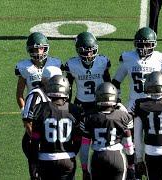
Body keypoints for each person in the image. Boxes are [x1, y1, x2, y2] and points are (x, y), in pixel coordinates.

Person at [62, 31, 111, 179]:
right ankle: (84, 170)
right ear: (79, 50)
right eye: (86, 51)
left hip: (98, 105)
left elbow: (107, 84)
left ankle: (89, 169)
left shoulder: (102, 62)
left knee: (96, 139)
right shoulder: (73, 64)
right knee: (82, 140)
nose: (89, 54)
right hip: (84, 106)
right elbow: (68, 88)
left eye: (91, 50)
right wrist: (68, 106)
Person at [29, 75, 83, 180]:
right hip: (67, 159)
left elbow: (34, 142)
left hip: (46, 159)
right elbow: (78, 140)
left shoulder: (40, 109)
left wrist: (33, 168)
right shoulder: (74, 110)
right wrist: (71, 153)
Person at [112, 27, 162, 113]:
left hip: (155, 104)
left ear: (153, 44)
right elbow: (115, 82)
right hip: (134, 105)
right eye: (141, 45)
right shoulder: (128, 58)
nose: (144, 48)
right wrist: (118, 102)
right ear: (136, 44)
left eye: (147, 45)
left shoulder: (161, 59)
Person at [81, 82, 134, 180]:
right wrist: (131, 164)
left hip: (98, 157)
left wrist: (84, 168)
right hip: (117, 157)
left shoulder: (89, 117)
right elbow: (128, 145)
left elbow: (84, 148)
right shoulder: (123, 116)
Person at [21, 66, 62, 180]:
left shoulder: (53, 95)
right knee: (38, 175)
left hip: (49, 142)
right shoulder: (36, 95)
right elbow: (27, 121)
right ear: (46, 80)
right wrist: (37, 141)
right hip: (35, 142)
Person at [15, 32, 62, 115]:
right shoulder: (24, 67)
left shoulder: (55, 64)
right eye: (35, 49)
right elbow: (19, 93)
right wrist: (24, 111)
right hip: (34, 109)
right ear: (30, 50)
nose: (38, 52)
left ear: (45, 48)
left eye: (41, 48)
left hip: (52, 108)